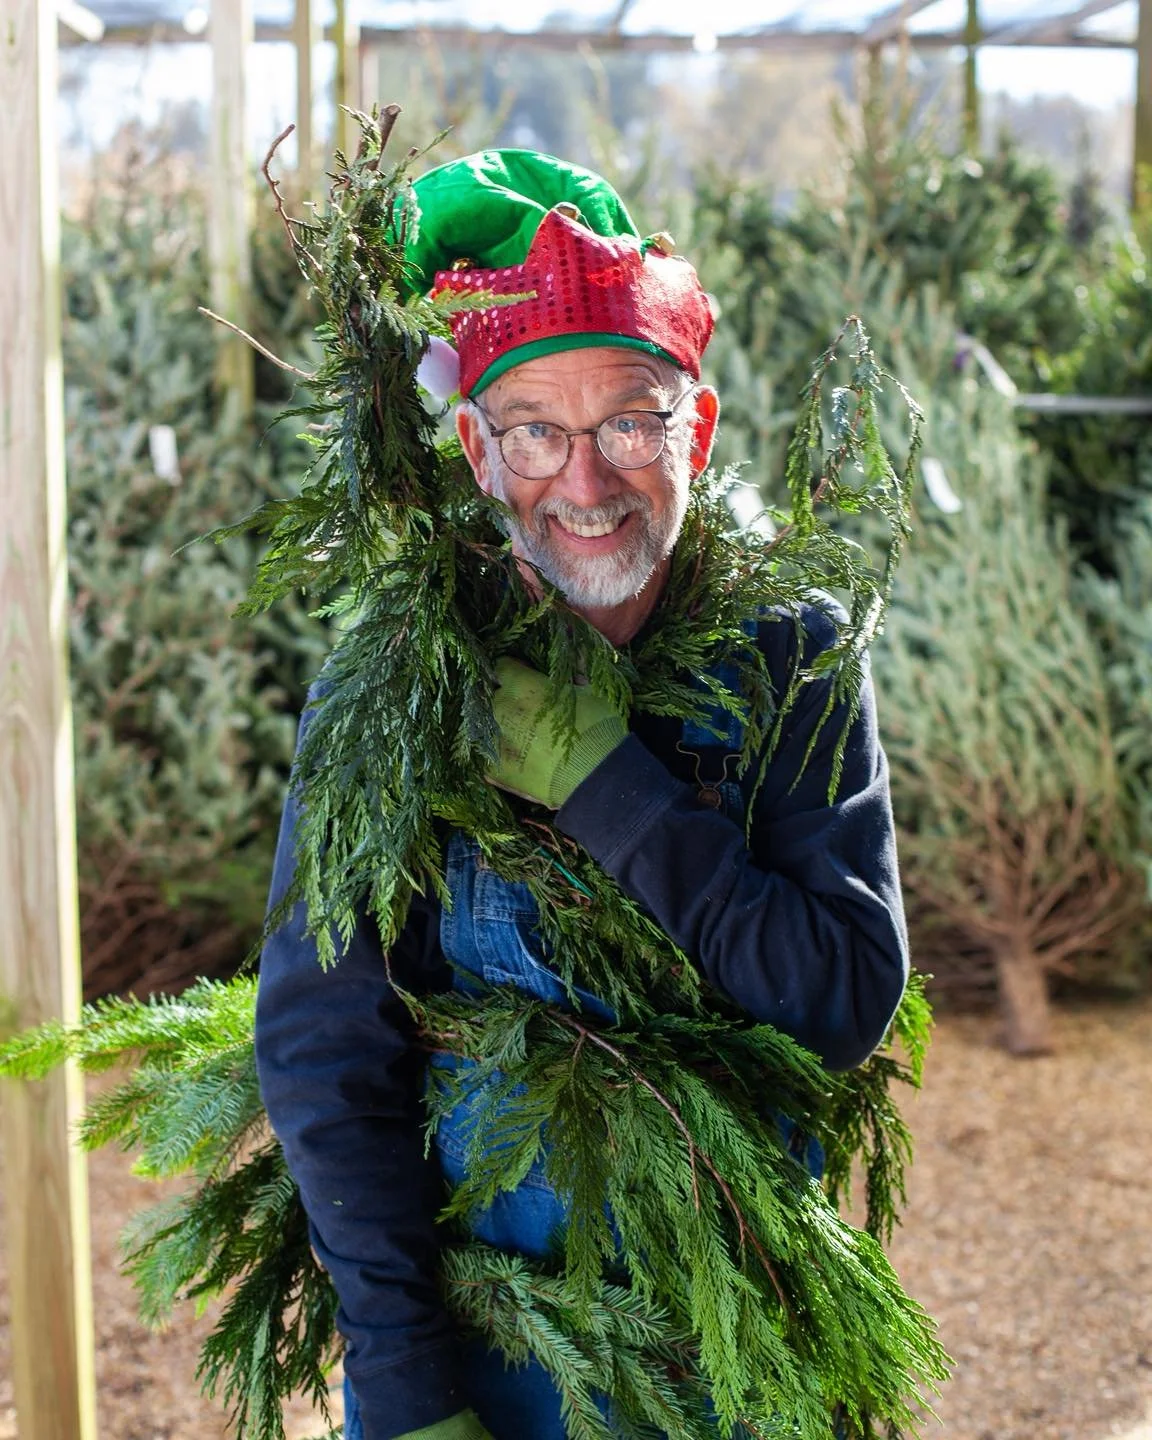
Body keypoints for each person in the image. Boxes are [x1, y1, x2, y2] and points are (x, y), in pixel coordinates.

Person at [255, 150, 909, 1440]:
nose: (588, 480)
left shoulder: (789, 648)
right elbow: (328, 1044)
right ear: (477, 450)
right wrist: (400, 1384)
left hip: (742, 1337)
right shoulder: (398, 676)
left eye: (630, 421)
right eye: (537, 432)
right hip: (492, 1344)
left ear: (698, 431)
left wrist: (611, 787)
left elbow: (837, 997)